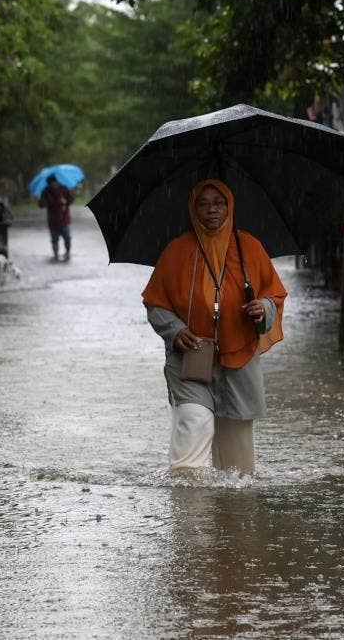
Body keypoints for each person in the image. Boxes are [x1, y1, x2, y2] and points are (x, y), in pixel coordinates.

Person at [142, 179, 287, 474]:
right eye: (203, 204)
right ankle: (187, 493)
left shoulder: (250, 247)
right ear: (193, 209)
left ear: (229, 207)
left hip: (239, 356)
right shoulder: (177, 250)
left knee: (238, 457)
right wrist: (175, 330)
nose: (212, 210)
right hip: (192, 354)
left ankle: (232, 501)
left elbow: (275, 295)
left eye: (219, 203)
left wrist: (263, 308)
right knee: (194, 420)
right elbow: (155, 303)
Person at [37, 174, 74, 261]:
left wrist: (66, 201)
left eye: (54, 183)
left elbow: (71, 199)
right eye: (51, 184)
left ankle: (67, 253)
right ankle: (56, 255)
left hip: (64, 219)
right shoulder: (45, 191)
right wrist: (43, 201)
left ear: (57, 182)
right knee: (54, 240)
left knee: (67, 238)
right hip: (52, 220)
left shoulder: (64, 189)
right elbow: (40, 205)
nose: (53, 185)